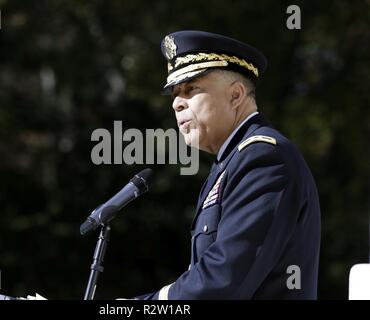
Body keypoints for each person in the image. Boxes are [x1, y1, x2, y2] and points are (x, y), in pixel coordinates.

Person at [133, 30, 321, 299]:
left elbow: (223, 281)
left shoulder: (264, 160)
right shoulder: (230, 163)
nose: (176, 103)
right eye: (175, 93)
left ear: (235, 95)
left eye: (190, 89)